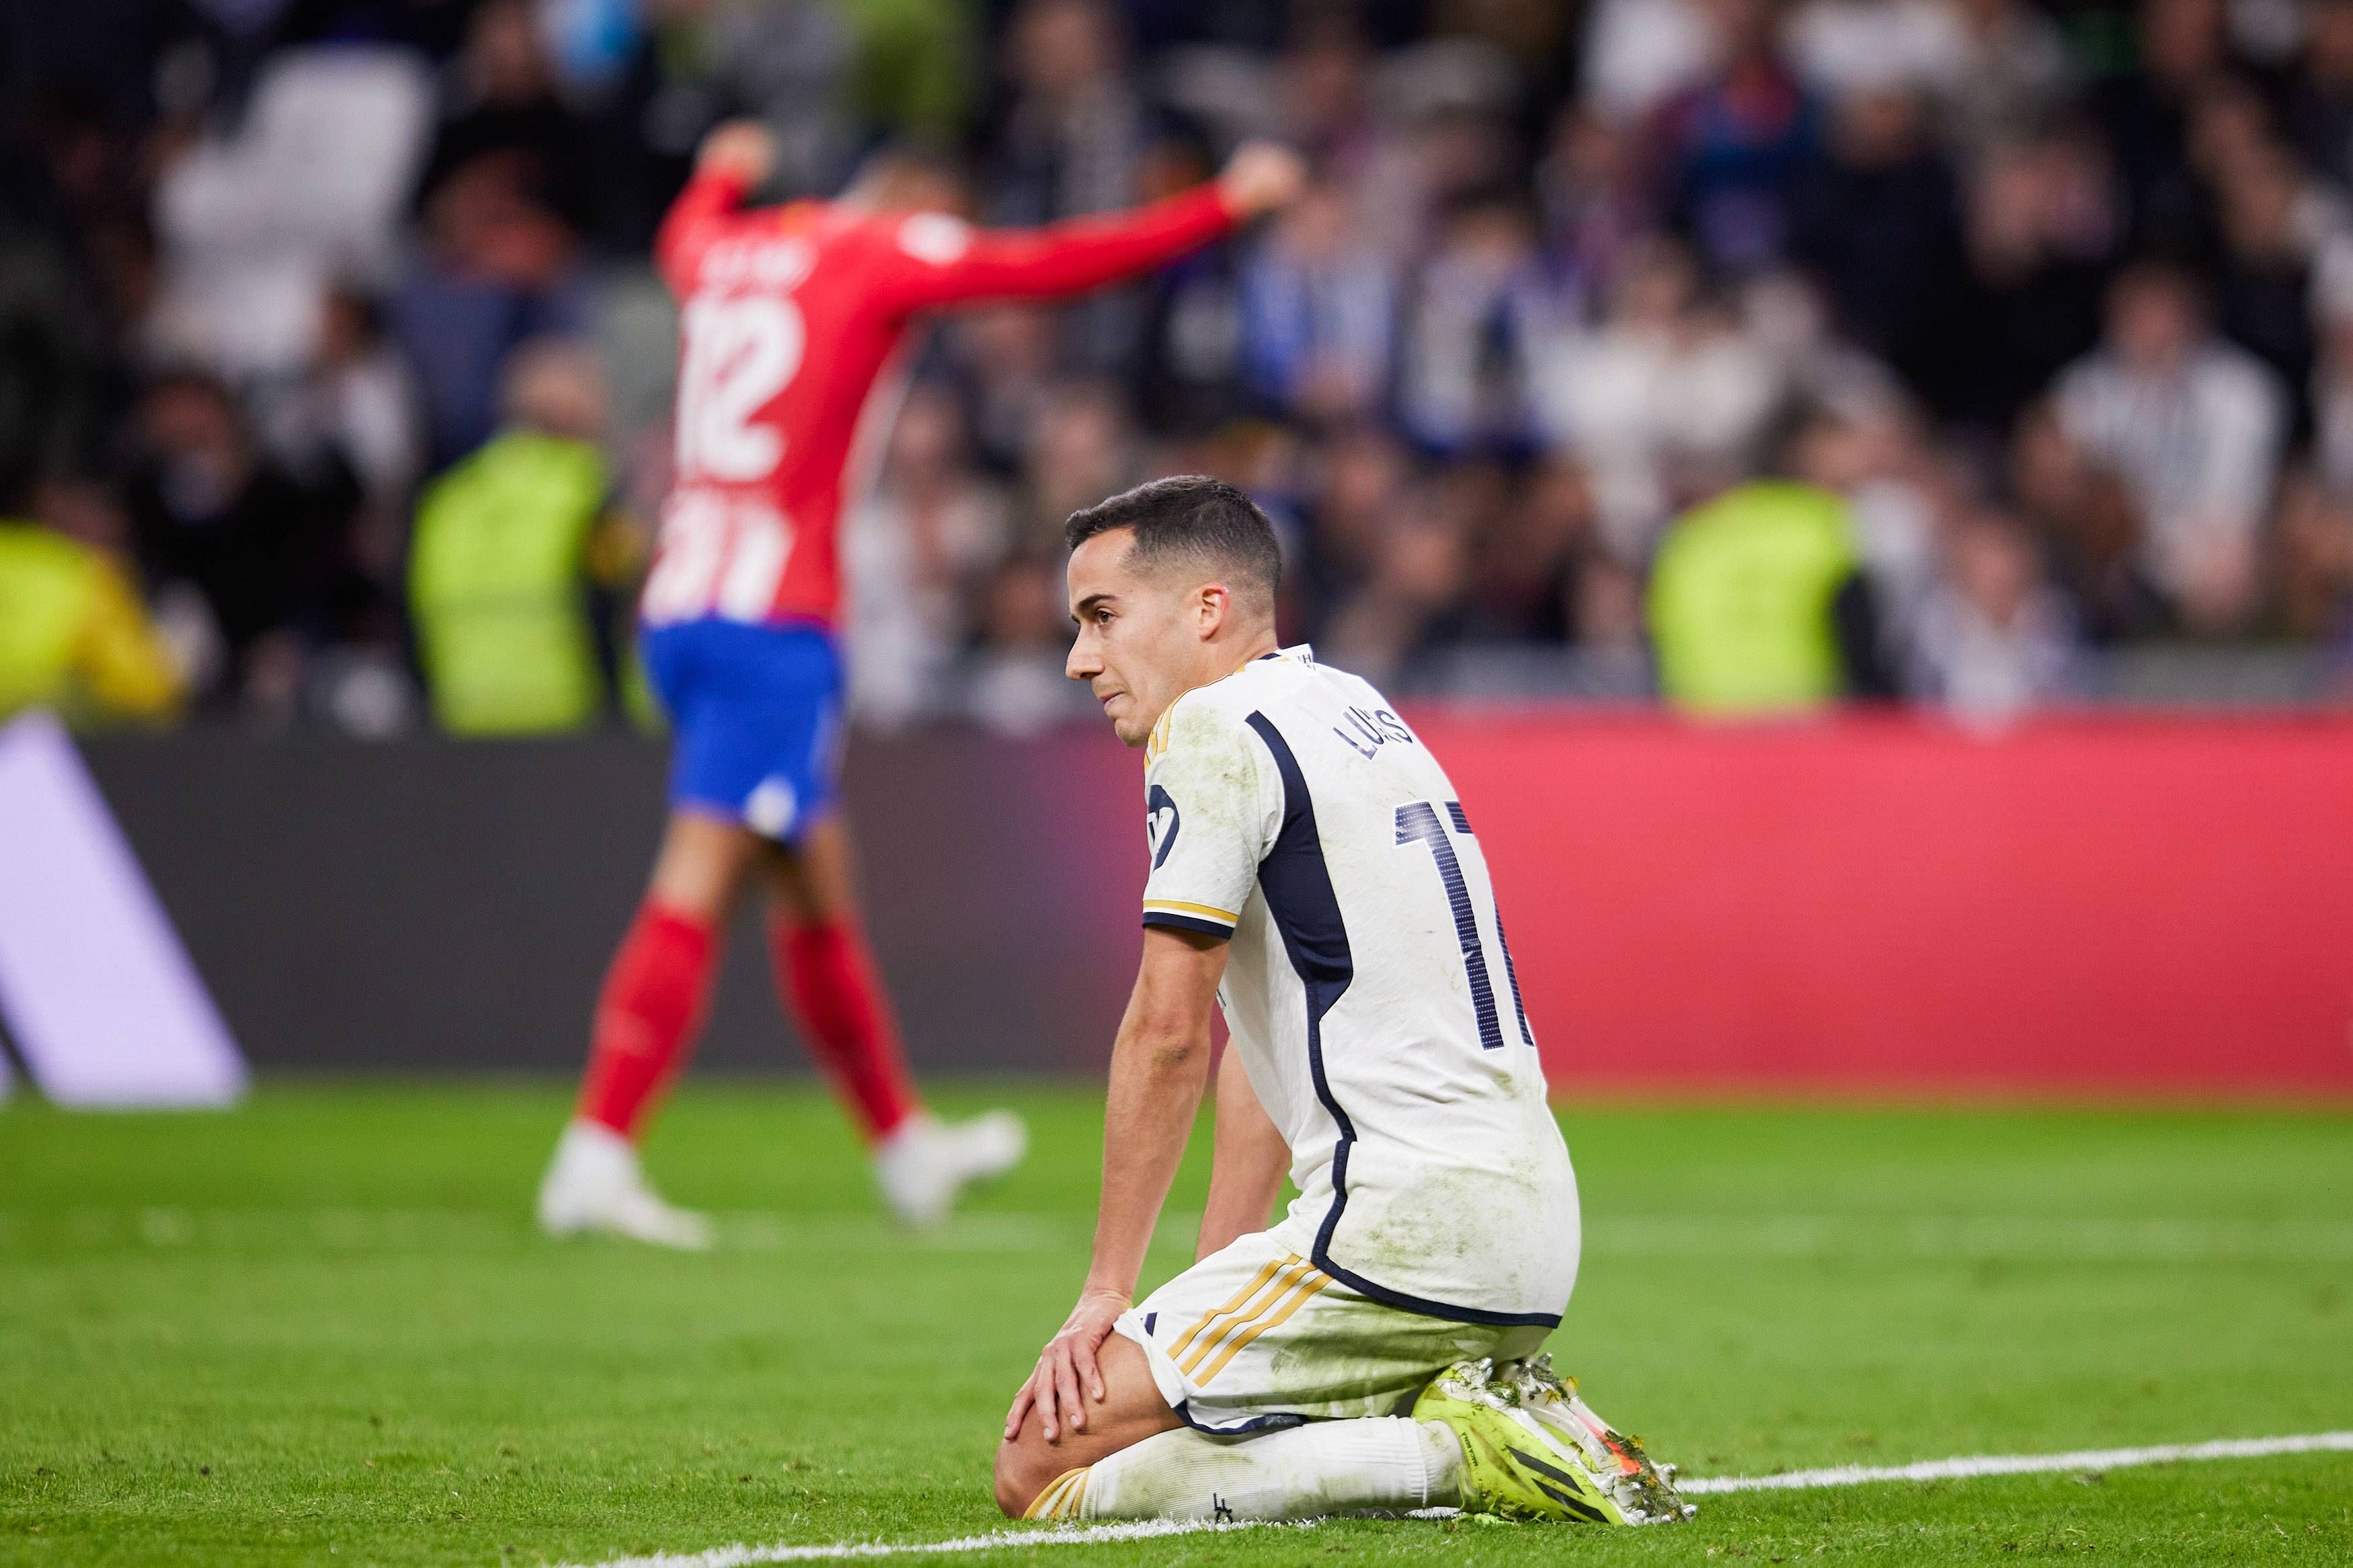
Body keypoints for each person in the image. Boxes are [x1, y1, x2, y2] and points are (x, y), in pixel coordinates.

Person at [535, 123, 1306, 1245]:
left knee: (811, 880)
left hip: (683, 594)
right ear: (917, 200)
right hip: (772, 617)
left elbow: (680, 231)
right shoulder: (882, 250)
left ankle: (903, 1145)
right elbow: (1048, 264)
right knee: (701, 870)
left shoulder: (732, 250)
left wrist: (723, 168)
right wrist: (1221, 206)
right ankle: (597, 1148)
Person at [991, 476, 1690, 1526]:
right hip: (1529, 1224)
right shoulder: (1356, 708)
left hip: (1396, 1231)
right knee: (1183, 1412)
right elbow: (1261, 1043)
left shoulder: (1212, 730)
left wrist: (1107, 1292)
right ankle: (1490, 1408)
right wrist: (1204, 1289)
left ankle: (1448, 1454)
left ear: (1207, 609)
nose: (1079, 658)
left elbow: (1167, 1032)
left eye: (1101, 617)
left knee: (1041, 1465)